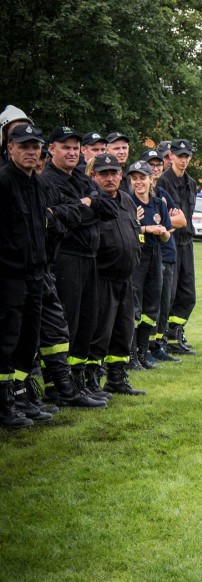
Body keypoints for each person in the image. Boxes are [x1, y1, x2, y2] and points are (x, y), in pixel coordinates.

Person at [36, 126, 111, 409]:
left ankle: (76, 381)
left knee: (86, 322)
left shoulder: (81, 177)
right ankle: (57, 385)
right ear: (52, 149)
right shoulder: (47, 181)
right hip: (66, 257)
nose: (71, 152)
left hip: (89, 257)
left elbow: (108, 207)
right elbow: (56, 222)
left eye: (74, 147)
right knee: (66, 322)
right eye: (64, 147)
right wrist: (86, 208)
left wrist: (81, 208)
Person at [0, 123, 48, 427]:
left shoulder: (37, 184)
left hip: (35, 275)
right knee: (6, 341)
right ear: (10, 149)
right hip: (8, 278)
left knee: (27, 341)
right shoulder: (3, 182)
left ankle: (17, 397)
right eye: (24, 146)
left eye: (35, 147)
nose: (31, 151)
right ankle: (3, 404)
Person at [87, 153, 143, 396]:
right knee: (99, 332)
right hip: (101, 278)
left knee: (123, 331)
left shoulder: (127, 201)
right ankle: (89, 380)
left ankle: (117, 378)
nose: (110, 178)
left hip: (125, 278)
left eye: (114, 172)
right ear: (93, 176)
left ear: (121, 175)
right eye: (104, 174)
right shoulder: (93, 202)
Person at [127, 160, 171, 370]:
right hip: (136, 258)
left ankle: (144, 354)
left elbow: (166, 235)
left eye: (142, 178)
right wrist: (145, 228)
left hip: (155, 256)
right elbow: (125, 230)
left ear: (151, 179)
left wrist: (162, 232)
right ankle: (132, 355)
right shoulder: (127, 201)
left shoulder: (159, 203)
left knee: (151, 307)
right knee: (134, 307)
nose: (138, 182)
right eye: (134, 178)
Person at [157, 139, 198, 355]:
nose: (183, 160)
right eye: (179, 156)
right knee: (169, 293)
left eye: (187, 156)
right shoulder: (163, 182)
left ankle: (175, 334)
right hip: (171, 241)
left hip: (187, 242)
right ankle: (162, 338)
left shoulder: (191, 183)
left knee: (187, 292)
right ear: (171, 156)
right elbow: (168, 218)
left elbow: (185, 217)